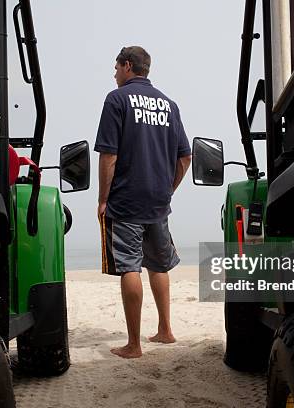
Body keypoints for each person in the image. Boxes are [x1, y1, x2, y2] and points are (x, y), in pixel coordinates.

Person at [95, 46, 192, 359]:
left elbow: (109, 154)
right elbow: (185, 157)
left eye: (116, 68)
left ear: (127, 66)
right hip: (158, 199)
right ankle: (165, 330)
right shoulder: (169, 104)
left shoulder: (117, 99)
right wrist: (169, 189)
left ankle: (134, 345)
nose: (114, 74)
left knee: (129, 266)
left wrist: (102, 198)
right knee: (159, 263)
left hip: (126, 198)